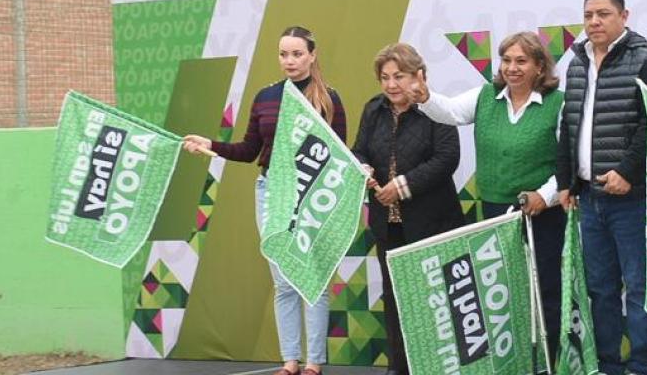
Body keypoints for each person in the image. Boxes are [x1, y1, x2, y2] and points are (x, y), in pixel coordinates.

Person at [182, 26, 344, 375]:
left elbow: (340, 156)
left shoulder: (329, 99)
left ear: (312, 55)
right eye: (283, 54)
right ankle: (289, 361)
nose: (290, 60)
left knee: (312, 279)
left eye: (297, 53)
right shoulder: (265, 97)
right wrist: (211, 145)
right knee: (284, 282)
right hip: (271, 192)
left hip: (312, 196)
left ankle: (314, 362)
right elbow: (249, 149)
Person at [408, 31, 566, 365]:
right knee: (504, 293)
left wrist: (544, 195)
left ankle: (551, 363)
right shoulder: (486, 96)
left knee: (547, 292)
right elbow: (449, 112)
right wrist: (424, 97)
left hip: (542, 213)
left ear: (540, 66)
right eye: (507, 60)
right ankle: (515, 365)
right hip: (496, 212)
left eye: (521, 61)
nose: (512, 68)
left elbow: (568, 162)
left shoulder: (558, 103)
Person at [555, 0, 647, 375]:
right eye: (588, 15)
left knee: (638, 289)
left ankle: (642, 367)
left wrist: (627, 171)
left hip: (632, 198)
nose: (594, 22)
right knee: (599, 290)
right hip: (588, 198)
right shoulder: (576, 62)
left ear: (624, 16)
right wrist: (566, 181)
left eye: (603, 14)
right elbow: (569, 126)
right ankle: (606, 365)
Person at [351, 42, 466, 375]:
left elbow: (447, 159)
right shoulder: (373, 109)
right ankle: (398, 367)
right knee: (395, 298)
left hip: (433, 223)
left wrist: (401, 186)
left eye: (398, 76)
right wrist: (363, 168)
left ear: (419, 75)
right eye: (385, 77)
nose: (390, 85)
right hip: (388, 225)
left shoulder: (434, 107)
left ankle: (440, 368)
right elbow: (359, 151)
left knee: (437, 300)